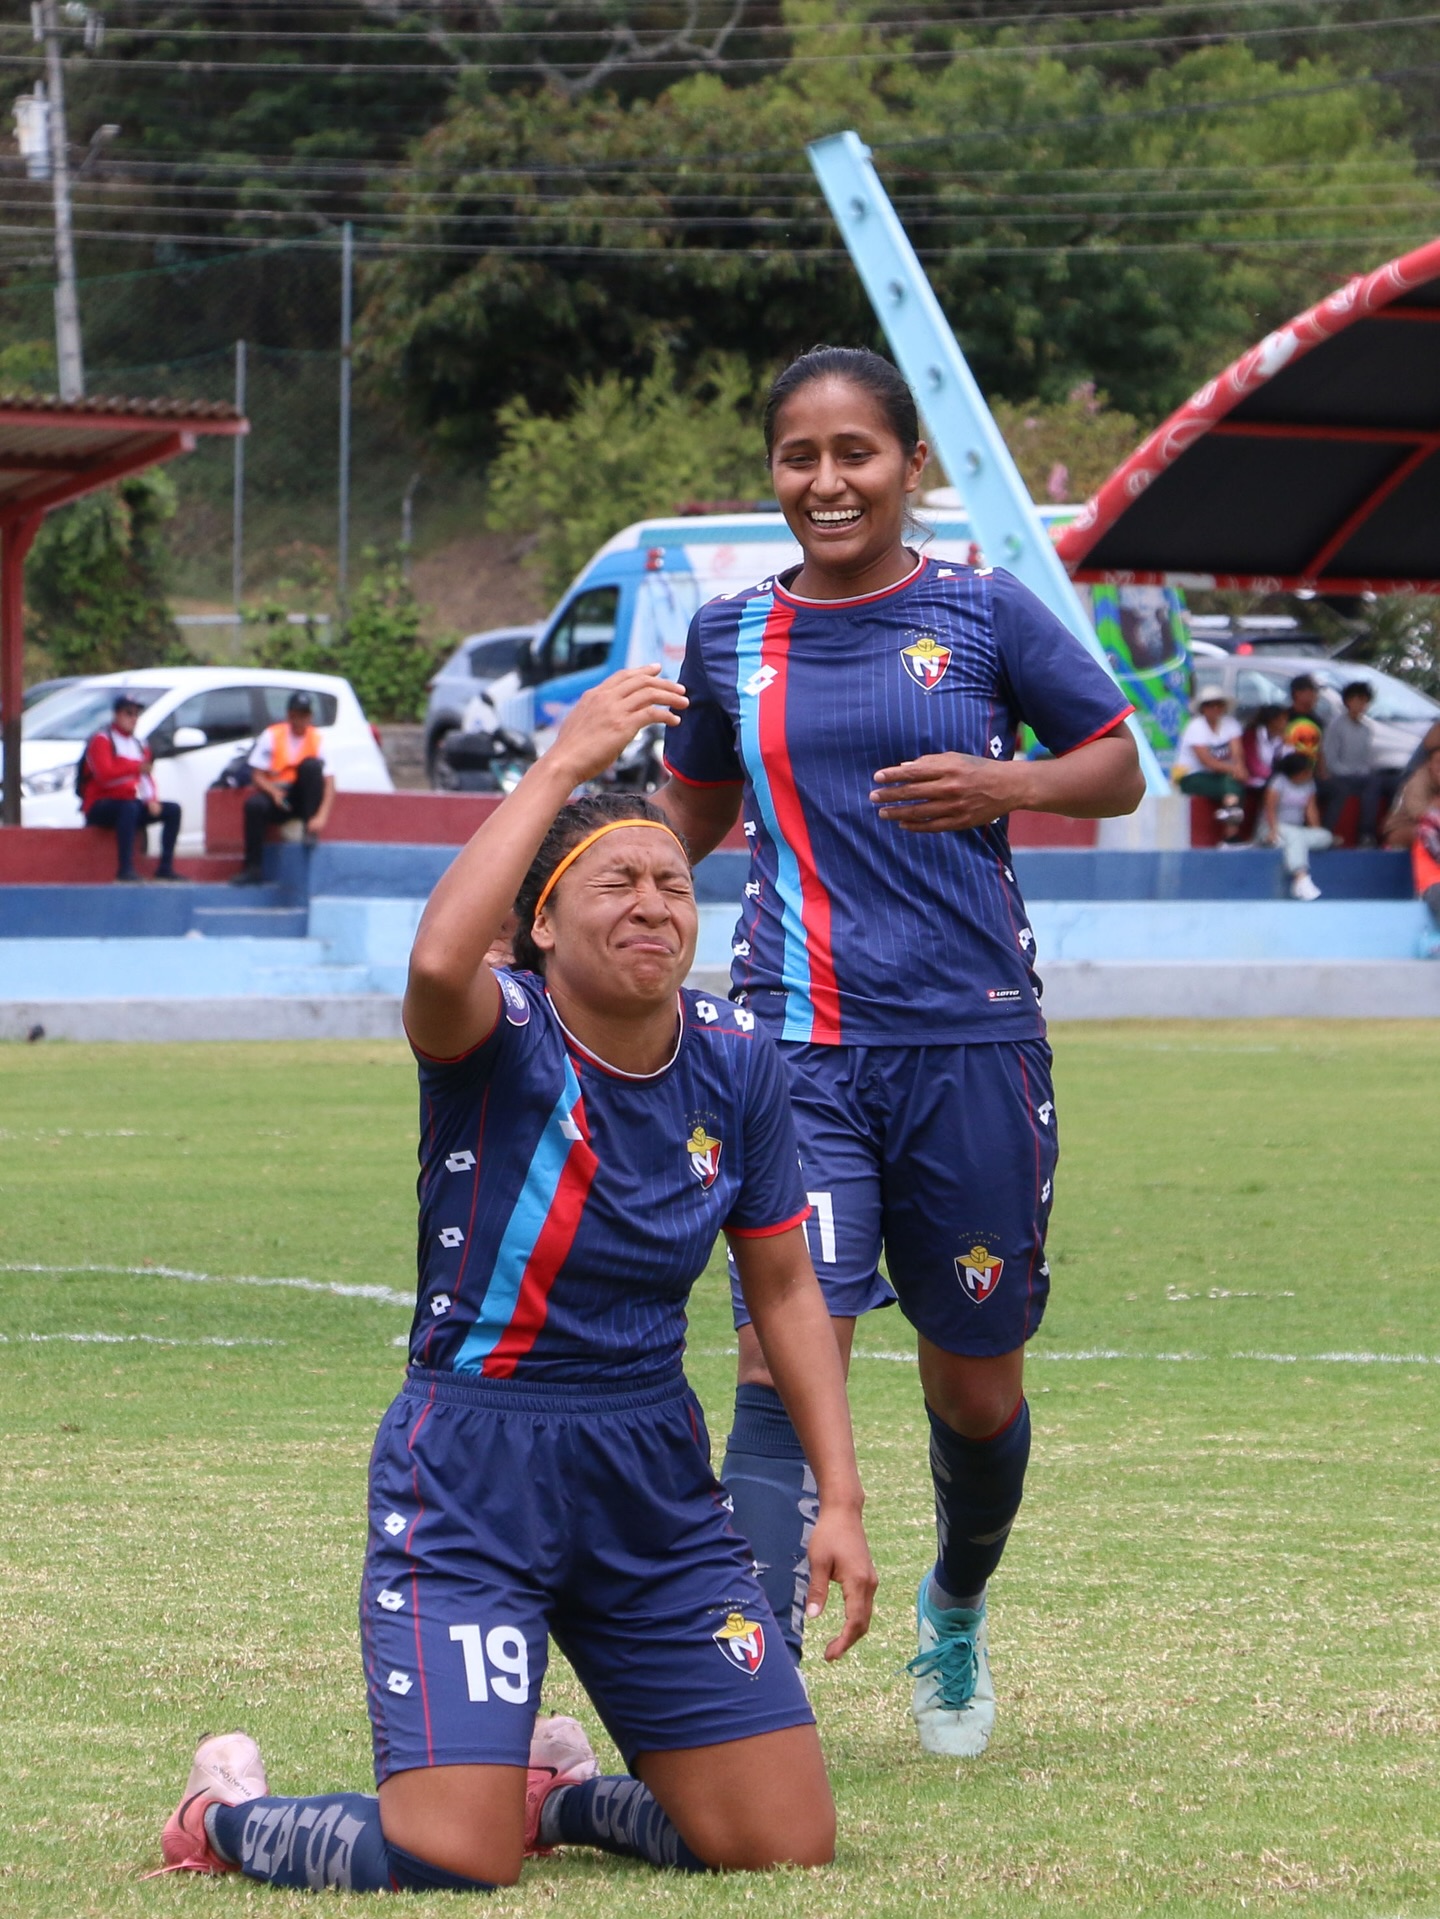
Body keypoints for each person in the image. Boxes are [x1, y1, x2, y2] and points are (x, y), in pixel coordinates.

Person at [156, 665, 875, 1893]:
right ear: (542, 924)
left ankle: (566, 1796)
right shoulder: (500, 1038)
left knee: (782, 1838)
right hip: (476, 1468)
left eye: (673, 882)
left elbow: (787, 1291)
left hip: (650, 1471)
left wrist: (841, 1499)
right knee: (452, 1853)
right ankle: (223, 1811)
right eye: (615, 882)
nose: (654, 903)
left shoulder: (740, 1064)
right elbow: (438, 963)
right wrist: (557, 767)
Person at [653, 344, 1142, 1761]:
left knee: (974, 1382)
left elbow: (1117, 761)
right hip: (790, 1044)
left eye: (854, 453)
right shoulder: (731, 638)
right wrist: (580, 884)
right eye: (799, 457)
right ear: (774, 471)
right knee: (777, 1355)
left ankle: (957, 1599)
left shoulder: (985, 616)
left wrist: (1012, 779)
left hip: (972, 1044)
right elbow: (685, 815)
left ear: (909, 464)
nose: (826, 482)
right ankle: (749, 1696)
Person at [231, 691, 335, 886]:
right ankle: (252, 868)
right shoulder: (272, 735)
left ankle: (309, 831)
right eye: (297, 714)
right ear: (289, 715)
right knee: (253, 806)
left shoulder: (318, 739)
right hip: (279, 797)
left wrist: (321, 816)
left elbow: (329, 782)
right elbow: (257, 775)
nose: (300, 719)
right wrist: (274, 792)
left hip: (301, 799)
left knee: (312, 766)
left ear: (310, 717)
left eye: (305, 715)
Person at [80, 690, 181, 883]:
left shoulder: (139, 744)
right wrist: (134, 767)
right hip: (100, 804)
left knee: (172, 810)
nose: (133, 718)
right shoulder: (102, 740)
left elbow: (146, 777)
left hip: (129, 803)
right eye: (128, 713)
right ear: (117, 715)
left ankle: (165, 867)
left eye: (136, 714)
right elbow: (104, 776)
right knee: (129, 807)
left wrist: (152, 799)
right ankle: (125, 869)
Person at [1319, 680, 1386, 845]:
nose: (1362, 704)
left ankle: (1366, 834)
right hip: (1337, 775)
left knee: (1377, 783)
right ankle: (1327, 834)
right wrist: (1354, 772)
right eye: (1358, 699)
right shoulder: (1336, 725)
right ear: (1348, 701)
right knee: (1361, 784)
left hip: (1357, 776)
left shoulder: (1366, 730)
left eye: (1365, 701)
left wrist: (1363, 772)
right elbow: (1330, 760)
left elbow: (1364, 761)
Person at [1174, 690, 1247, 842]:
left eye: (1218, 705)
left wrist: (1240, 767)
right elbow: (1207, 761)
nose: (1215, 709)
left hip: (1220, 775)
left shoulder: (1230, 724)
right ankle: (1231, 832)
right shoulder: (1195, 727)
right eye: (1210, 705)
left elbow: (1237, 752)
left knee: (1232, 782)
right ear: (1203, 708)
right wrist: (1236, 770)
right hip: (1192, 776)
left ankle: (1230, 827)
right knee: (1232, 784)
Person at [1259, 750, 1332, 900]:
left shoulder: (1309, 784)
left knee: (1326, 836)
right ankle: (1301, 879)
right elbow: (1269, 809)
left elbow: (1311, 810)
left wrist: (1316, 832)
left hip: (1296, 831)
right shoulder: (1278, 781)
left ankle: (1284, 844)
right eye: (1306, 772)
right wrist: (1273, 830)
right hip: (1271, 827)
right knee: (1295, 836)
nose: (1310, 774)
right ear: (1296, 773)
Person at [1282, 674, 1325, 766]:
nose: (1316, 696)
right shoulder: (1283, 718)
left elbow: (1320, 750)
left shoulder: (1317, 720)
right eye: (1313, 691)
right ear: (1298, 693)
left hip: (1310, 774)